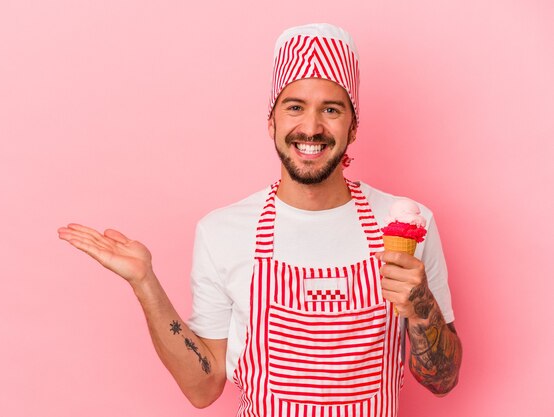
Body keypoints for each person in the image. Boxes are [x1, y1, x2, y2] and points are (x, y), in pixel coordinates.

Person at [58, 23, 462, 416]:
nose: (311, 127)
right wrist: (145, 282)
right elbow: (203, 388)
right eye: (295, 107)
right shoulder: (222, 233)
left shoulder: (407, 223)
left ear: (353, 126)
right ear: (271, 121)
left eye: (332, 109)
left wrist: (420, 303)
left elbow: (442, 382)